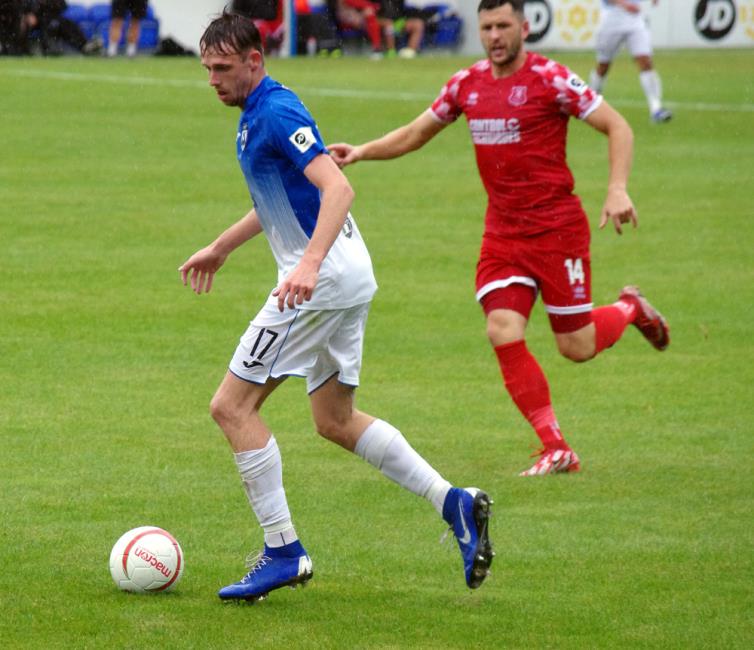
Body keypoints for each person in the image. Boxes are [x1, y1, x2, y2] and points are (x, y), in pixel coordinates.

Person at [179, 11, 493, 602]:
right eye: (207, 69)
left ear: (255, 60)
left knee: (232, 407)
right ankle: (454, 501)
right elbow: (280, 198)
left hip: (318, 285)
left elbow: (338, 188)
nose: (213, 79)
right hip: (345, 277)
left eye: (223, 68)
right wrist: (221, 247)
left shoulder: (274, 110)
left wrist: (309, 263)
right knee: (335, 420)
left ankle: (283, 549)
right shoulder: (256, 113)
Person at [329, 0, 670, 476]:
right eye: (486, 27)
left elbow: (618, 126)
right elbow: (416, 133)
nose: (494, 35)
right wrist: (361, 151)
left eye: (503, 25)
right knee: (502, 329)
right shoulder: (467, 85)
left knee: (577, 346)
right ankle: (555, 446)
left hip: (556, 229)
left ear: (524, 28)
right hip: (504, 233)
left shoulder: (551, 79)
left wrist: (616, 189)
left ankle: (630, 308)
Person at [589, 0, 671, 123]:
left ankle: (656, 108)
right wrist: (624, 4)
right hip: (611, 19)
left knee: (645, 61)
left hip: (635, 19)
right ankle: (590, 102)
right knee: (603, 65)